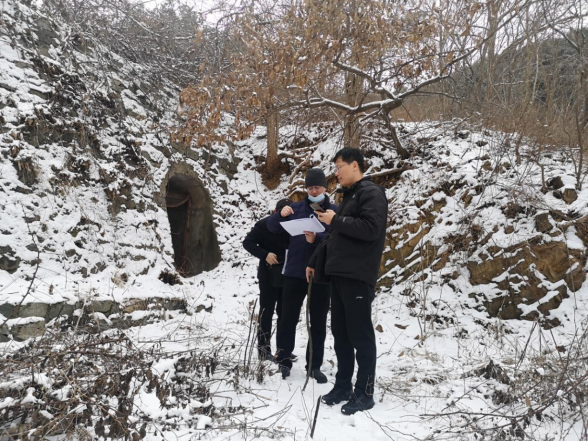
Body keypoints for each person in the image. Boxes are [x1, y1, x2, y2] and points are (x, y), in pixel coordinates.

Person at [306, 148, 388, 415]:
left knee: (360, 335)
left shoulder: (372, 193)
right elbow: (334, 237)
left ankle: (365, 392)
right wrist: (314, 262)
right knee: (341, 334)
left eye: (339, 167)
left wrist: (336, 219)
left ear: (355, 165)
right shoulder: (350, 196)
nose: (336, 173)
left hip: (357, 274)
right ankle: (342, 386)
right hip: (339, 274)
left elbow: (371, 229)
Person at [267, 168, 337, 382]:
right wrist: (280, 215)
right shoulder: (295, 208)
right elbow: (271, 227)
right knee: (287, 318)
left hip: (320, 275)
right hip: (294, 272)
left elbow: (338, 239)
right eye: (310, 187)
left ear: (325, 187)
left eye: (317, 187)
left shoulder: (334, 211)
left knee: (318, 321)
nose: (313, 191)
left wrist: (317, 238)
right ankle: (283, 360)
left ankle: (314, 365)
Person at [243, 198, 292, 361]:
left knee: (285, 314)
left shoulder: (295, 225)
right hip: (268, 275)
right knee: (266, 313)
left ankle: (283, 349)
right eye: (282, 215)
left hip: (289, 275)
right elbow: (247, 242)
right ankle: (264, 350)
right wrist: (265, 255)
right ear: (275, 213)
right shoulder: (263, 225)